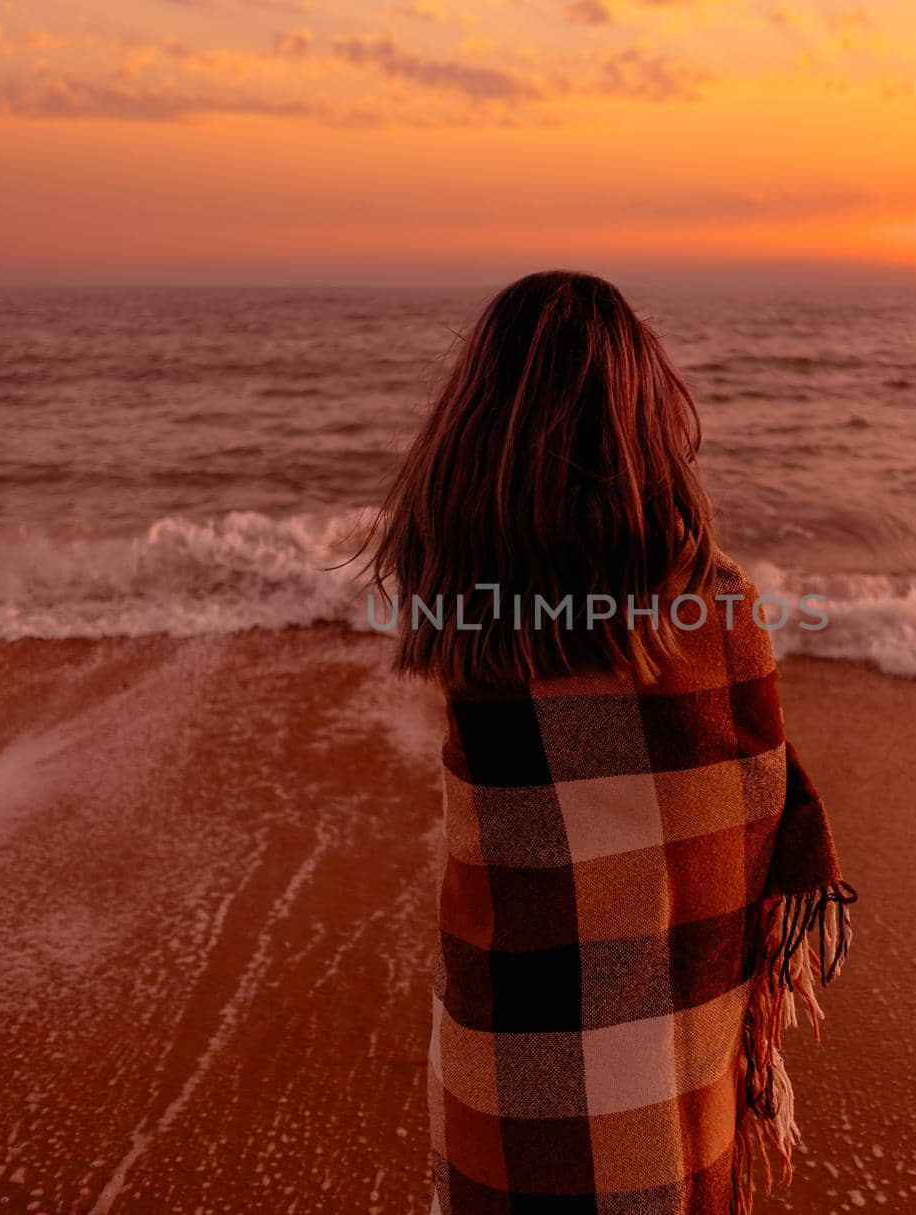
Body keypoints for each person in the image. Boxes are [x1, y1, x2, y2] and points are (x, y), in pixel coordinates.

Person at [365, 270, 855, 1213]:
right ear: (647, 417)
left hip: (500, 1052)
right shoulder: (714, 608)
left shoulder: (467, 608)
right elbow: (741, 821)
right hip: (662, 1076)